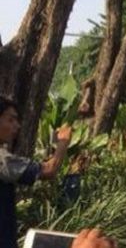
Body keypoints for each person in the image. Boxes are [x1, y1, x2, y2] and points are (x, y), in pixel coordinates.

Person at [0, 97, 72, 248]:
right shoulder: (3, 160)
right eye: (10, 120)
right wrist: (63, 142)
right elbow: (49, 170)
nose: (17, 126)